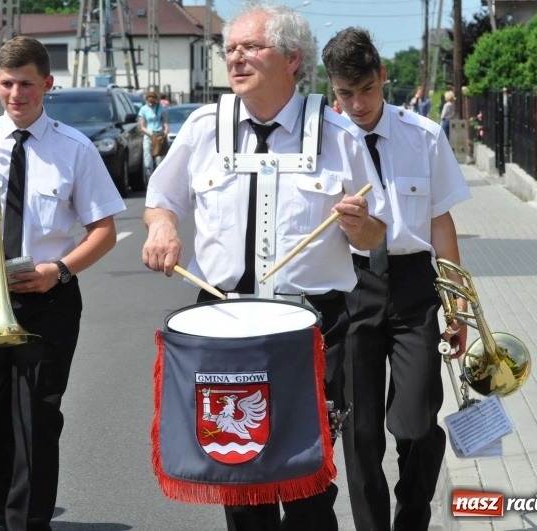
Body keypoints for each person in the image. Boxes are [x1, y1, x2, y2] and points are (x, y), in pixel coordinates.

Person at [142, 3, 388, 530]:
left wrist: (358, 224)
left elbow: (375, 236)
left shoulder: (338, 133)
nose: (236, 58)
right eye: (231, 48)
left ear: (293, 58)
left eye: (252, 47)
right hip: (223, 323)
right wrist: (162, 228)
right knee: (238, 477)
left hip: (311, 328)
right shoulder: (203, 127)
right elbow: (161, 199)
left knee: (306, 484)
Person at [0, 36, 125, 531]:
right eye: (7, 84)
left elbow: (103, 232)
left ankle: (26, 520)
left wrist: (59, 270)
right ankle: (5, 498)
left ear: (47, 84)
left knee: (37, 419)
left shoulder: (74, 148)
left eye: (26, 84)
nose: (16, 94)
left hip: (48, 298)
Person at [322, 27, 472, 531]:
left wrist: (458, 306)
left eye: (366, 89)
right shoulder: (324, 143)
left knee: (416, 422)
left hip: (413, 288)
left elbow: (441, 223)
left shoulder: (423, 135)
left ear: (383, 76)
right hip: (350, 285)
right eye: (345, 93)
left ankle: (412, 518)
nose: (358, 104)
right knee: (361, 432)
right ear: (332, 88)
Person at [137, 89, 169, 180]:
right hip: (149, 135)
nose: (151, 103)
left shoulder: (160, 108)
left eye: (152, 101)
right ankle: (149, 176)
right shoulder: (143, 109)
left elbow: (165, 122)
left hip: (159, 135)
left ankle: (159, 178)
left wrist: (166, 130)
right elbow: (142, 126)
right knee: (147, 157)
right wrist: (151, 134)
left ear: (156, 100)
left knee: (159, 158)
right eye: (149, 101)